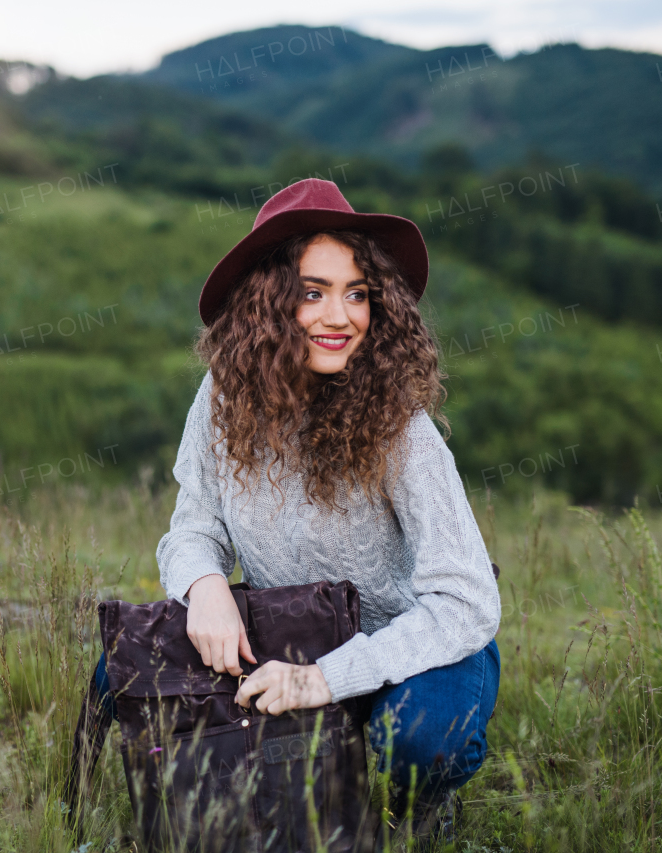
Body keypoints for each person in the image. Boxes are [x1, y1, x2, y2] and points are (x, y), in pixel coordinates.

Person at [91, 178, 501, 847]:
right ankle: (205, 791)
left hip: (417, 644)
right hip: (296, 632)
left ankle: (424, 802)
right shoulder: (223, 394)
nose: (340, 315)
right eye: (313, 291)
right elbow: (194, 524)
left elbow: (467, 604)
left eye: (357, 292)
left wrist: (324, 680)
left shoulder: (403, 428)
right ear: (266, 302)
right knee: (118, 670)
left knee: (422, 738)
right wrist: (206, 588)